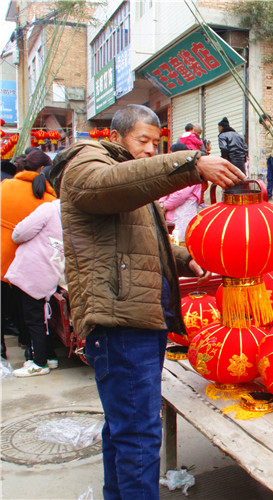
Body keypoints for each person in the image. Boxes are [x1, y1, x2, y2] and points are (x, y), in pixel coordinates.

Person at [49, 104, 244, 500]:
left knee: (123, 429)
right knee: (139, 435)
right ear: (116, 137)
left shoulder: (131, 183)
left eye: (156, 144)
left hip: (140, 316)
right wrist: (192, 164)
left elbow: (144, 245)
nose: (149, 151)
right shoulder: (88, 163)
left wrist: (190, 261)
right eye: (142, 141)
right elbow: (105, 185)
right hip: (121, 321)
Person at [1, 149, 56, 358]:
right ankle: (31, 349)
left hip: (3, 257)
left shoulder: (6, 186)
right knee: (26, 312)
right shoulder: (48, 199)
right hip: (28, 264)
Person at [5, 197, 64, 377]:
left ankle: (39, 363)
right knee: (42, 316)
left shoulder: (49, 208)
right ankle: (49, 356)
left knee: (33, 317)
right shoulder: (74, 213)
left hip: (34, 268)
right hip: (54, 269)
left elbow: (20, 233)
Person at [159, 143, 203, 244]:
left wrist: (165, 205)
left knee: (183, 240)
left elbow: (181, 194)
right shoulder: (172, 170)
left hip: (184, 213)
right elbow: (164, 187)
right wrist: (161, 203)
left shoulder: (192, 171)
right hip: (170, 212)